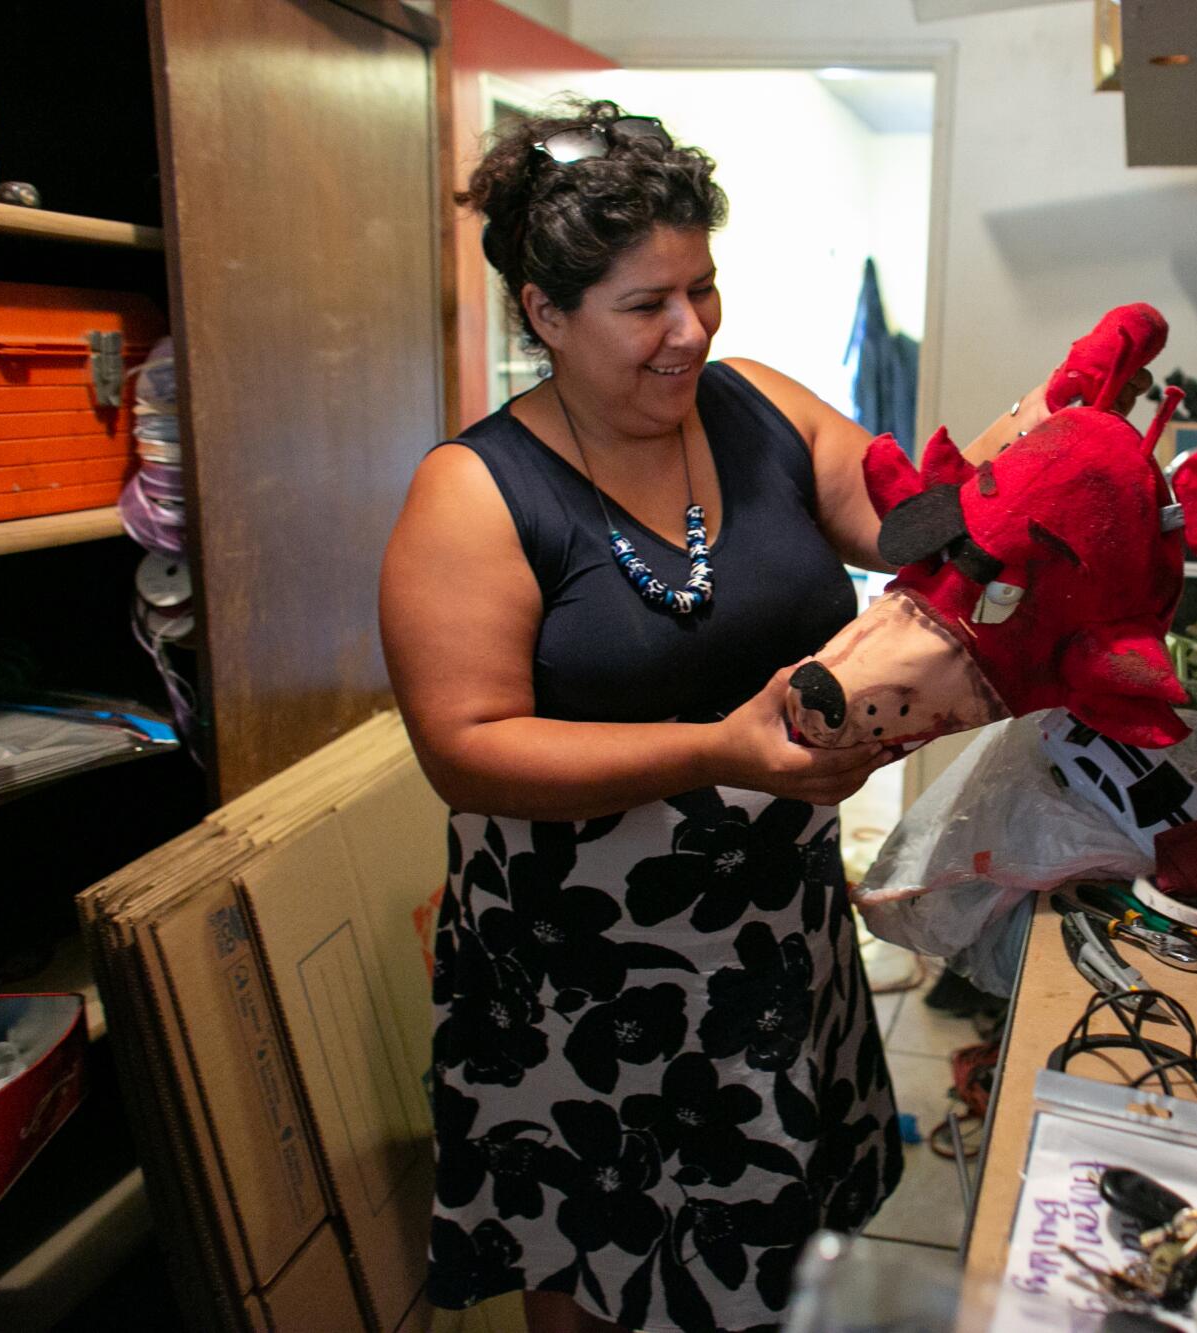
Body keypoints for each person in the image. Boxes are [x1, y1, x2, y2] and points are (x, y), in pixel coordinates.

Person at [380, 100, 1086, 1333]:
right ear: (545, 315)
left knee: (772, 1257)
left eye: (701, 289)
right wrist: (717, 749)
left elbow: (911, 527)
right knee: (602, 1264)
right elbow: (466, 751)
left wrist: (1038, 463)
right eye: (645, 305)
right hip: (581, 978)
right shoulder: (473, 493)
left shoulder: (756, 409)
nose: (690, 330)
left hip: (772, 934)